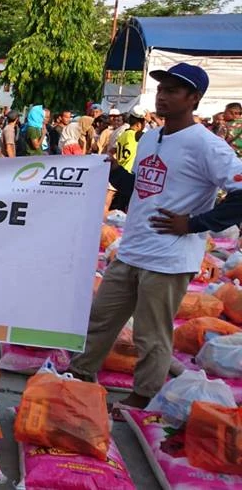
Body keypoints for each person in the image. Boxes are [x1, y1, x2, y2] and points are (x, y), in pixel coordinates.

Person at [70, 63, 242, 415]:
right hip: (133, 250)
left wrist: (194, 223)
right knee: (101, 319)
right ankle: (80, 373)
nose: (162, 96)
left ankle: (142, 396)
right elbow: (142, 189)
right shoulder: (151, 136)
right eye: (161, 90)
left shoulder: (208, 146)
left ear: (194, 99)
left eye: (173, 91)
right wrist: (114, 170)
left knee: (151, 335)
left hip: (169, 258)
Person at [113, 108, 147, 173]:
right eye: (144, 123)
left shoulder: (123, 133)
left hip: (120, 169)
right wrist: (150, 121)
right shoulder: (135, 134)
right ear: (138, 124)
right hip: (128, 171)